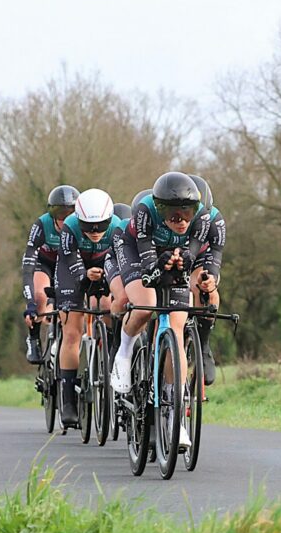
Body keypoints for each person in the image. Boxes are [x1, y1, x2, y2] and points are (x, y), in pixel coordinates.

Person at [111, 172, 214, 448]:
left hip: (172, 255)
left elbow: (193, 258)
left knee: (177, 329)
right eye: (172, 214)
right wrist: (161, 264)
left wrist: (181, 265)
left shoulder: (204, 218)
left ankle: (175, 416)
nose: (180, 220)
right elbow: (148, 269)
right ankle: (123, 353)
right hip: (137, 251)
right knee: (144, 308)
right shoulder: (145, 211)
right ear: (160, 209)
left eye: (186, 213)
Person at [55, 188, 119, 425]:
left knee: (108, 306)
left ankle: (113, 353)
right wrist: (84, 274)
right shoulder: (70, 226)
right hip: (74, 269)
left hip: (105, 264)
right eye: (89, 227)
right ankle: (68, 398)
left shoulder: (117, 227)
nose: (95, 232)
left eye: (101, 226)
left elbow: (122, 260)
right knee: (72, 331)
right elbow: (69, 259)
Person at [21, 185, 79, 363]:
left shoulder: (81, 225)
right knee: (40, 295)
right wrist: (30, 304)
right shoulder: (42, 224)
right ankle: (33, 338)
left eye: (70, 213)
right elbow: (28, 266)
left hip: (69, 264)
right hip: (44, 264)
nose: (64, 219)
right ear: (52, 213)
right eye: (60, 213)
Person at [187, 174, 226, 387]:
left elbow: (215, 256)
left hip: (201, 256)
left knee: (205, 288)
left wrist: (209, 280)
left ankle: (203, 345)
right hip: (170, 253)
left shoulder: (215, 220)